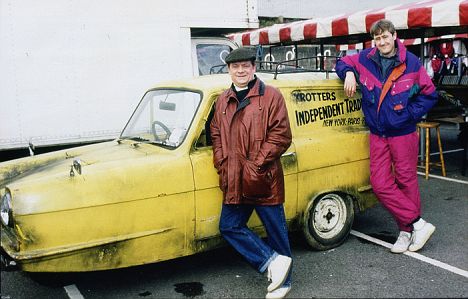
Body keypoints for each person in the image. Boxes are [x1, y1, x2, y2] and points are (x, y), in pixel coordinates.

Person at [335, 19, 438, 254]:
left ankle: (406, 231)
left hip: (403, 132)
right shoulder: (365, 58)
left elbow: (430, 94)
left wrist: (408, 115)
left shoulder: (410, 62)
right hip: (378, 133)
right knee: (380, 183)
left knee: (406, 180)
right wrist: (349, 73)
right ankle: (418, 224)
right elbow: (340, 62)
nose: (381, 42)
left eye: (385, 37)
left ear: (394, 36)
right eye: (377, 38)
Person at [210, 47, 293, 299]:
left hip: (263, 178)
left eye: (245, 66)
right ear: (229, 70)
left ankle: (284, 283)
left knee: (276, 233)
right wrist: (222, 161)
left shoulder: (271, 96)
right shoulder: (222, 100)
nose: (241, 70)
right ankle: (271, 262)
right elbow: (216, 133)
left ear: (254, 68)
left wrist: (255, 166)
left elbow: (281, 136)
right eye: (235, 67)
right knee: (229, 226)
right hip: (234, 177)